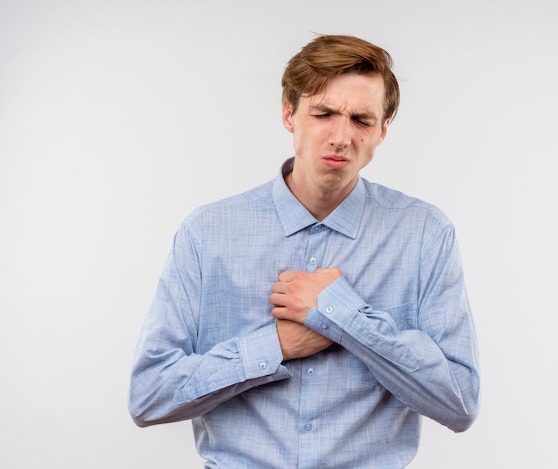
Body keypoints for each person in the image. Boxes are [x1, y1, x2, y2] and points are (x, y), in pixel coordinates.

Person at [129, 34, 480, 468]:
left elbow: (460, 402)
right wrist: (275, 345)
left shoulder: (425, 234)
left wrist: (342, 314)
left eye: (361, 120)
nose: (341, 136)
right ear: (288, 114)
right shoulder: (207, 233)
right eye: (324, 113)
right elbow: (149, 396)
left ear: (383, 131)